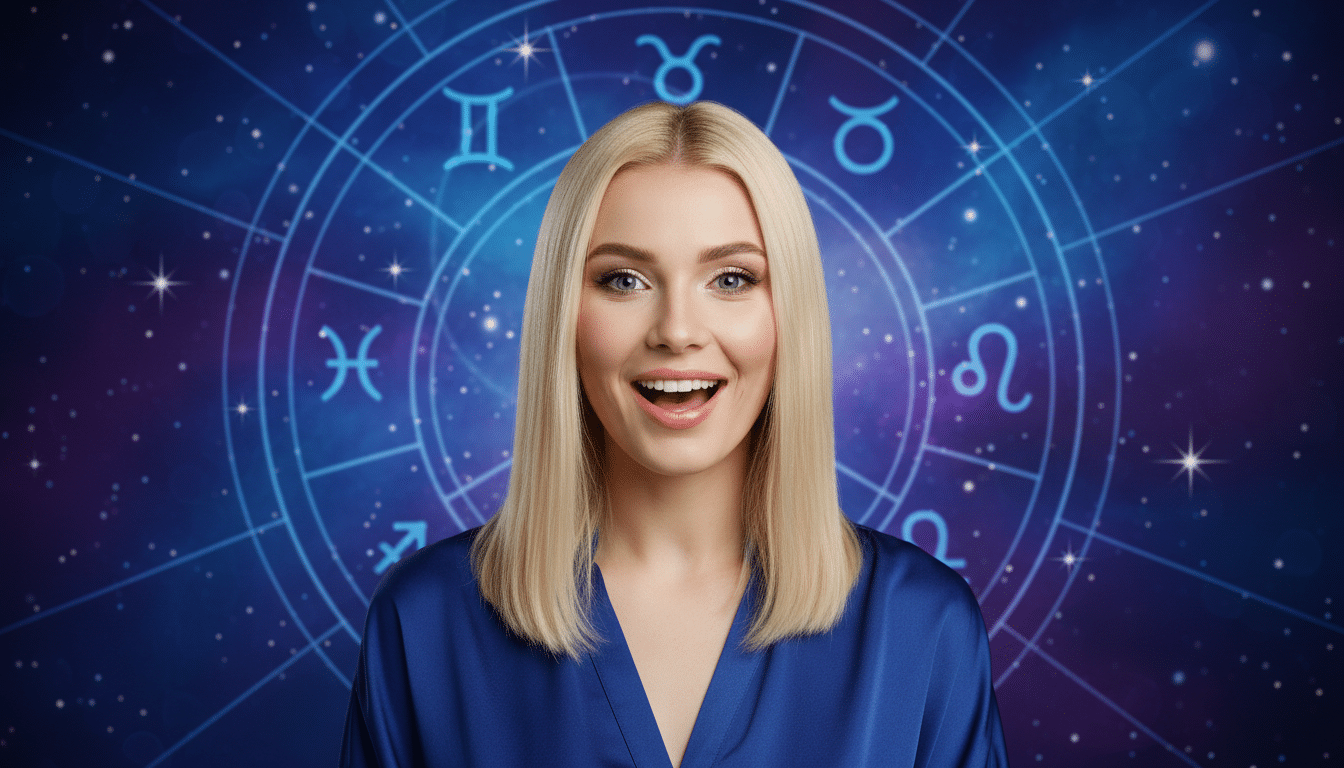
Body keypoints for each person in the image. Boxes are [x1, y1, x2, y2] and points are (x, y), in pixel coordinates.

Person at [339, 101, 1008, 767]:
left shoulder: (923, 626)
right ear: (563, 315)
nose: (677, 330)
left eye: (732, 279)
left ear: (789, 315)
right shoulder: (424, 622)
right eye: (623, 280)